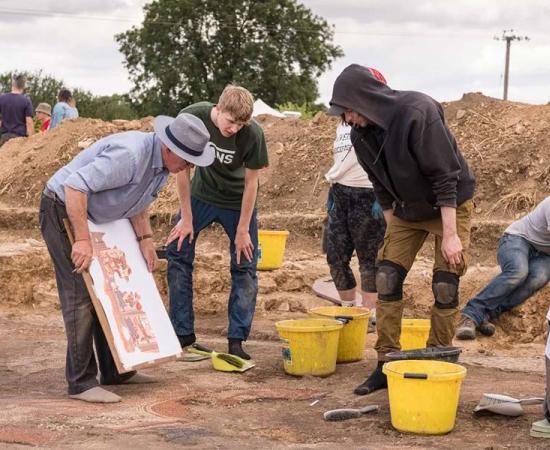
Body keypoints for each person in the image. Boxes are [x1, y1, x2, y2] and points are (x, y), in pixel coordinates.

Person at [40, 113, 214, 403]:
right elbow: (74, 187)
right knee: (80, 293)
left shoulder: (161, 167)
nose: (189, 167)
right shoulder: (130, 156)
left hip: (96, 214)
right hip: (62, 208)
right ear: (170, 149)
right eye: (187, 160)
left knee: (113, 289)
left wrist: (145, 240)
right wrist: (82, 239)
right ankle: (81, 382)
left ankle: (115, 371)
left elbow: (136, 201)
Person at [328, 64, 476, 396]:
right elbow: (380, 186)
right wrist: (394, 233)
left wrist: (450, 235)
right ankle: (386, 363)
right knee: (387, 276)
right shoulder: (359, 134)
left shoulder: (417, 112)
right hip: (408, 209)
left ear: (365, 98)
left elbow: (445, 177)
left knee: (445, 282)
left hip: (448, 204)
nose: (348, 119)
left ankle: (440, 356)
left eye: (349, 110)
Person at [166, 84, 268, 360]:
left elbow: (251, 183)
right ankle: (182, 334)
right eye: (231, 121)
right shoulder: (192, 117)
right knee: (178, 251)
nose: (234, 129)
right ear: (218, 108)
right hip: (201, 195)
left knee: (245, 265)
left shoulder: (253, 134)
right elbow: (182, 170)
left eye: (241, 124)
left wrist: (243, 230)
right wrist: (186, 218)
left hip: (238, 202)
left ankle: (237, 341)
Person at [324, 67, 387, 323]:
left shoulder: (376, 123)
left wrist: (382, 199)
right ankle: (349, 310)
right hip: (340, 193)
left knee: (368, 258)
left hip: (368, 194)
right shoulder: (343, 125)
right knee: (335, 255)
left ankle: (370, 315)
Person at [456, 197, 550, 340]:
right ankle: (470, 314)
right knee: (518, 272)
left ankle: (486, 315)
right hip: (518, 238)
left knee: (539, 278)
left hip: (545, 254)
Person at [0, 73, 34, 146]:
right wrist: (31, 142)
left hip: (4, 137)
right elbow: (29, 123)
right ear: (23, 86)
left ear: (13, 84)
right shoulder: (26, 101)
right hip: (19, 139)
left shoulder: (2, 98)